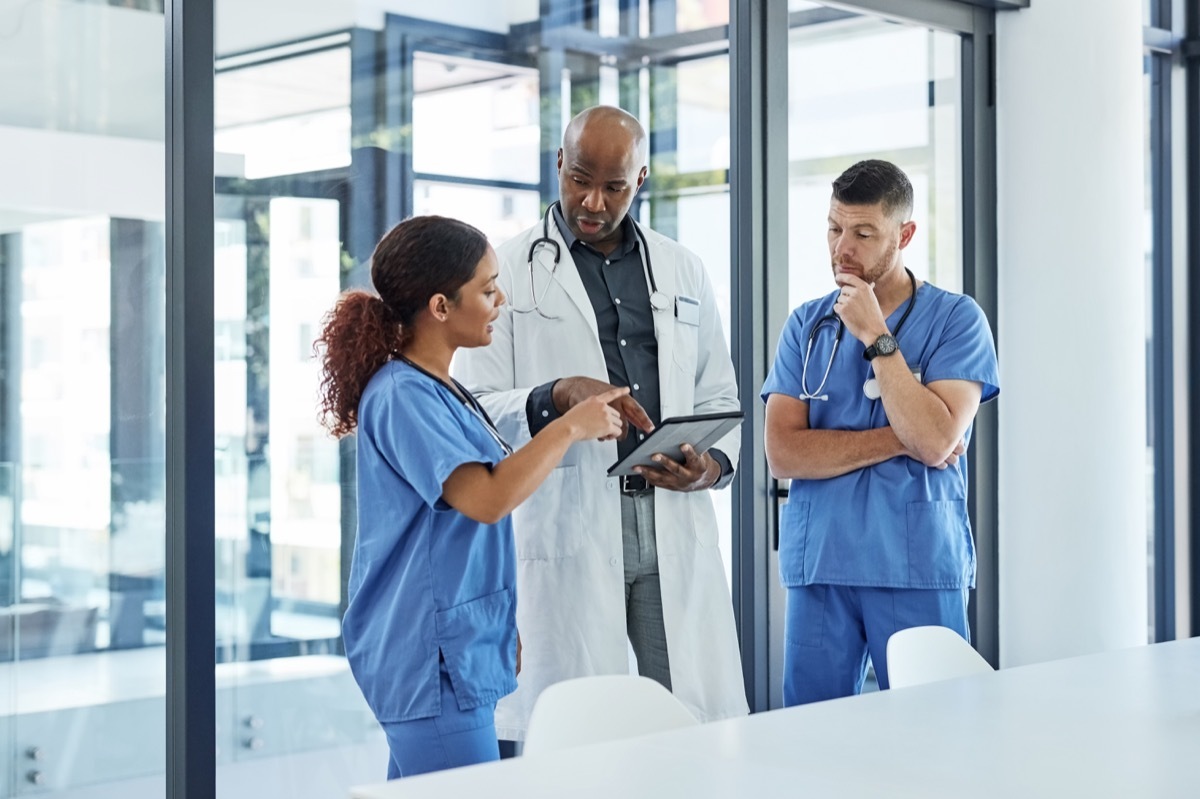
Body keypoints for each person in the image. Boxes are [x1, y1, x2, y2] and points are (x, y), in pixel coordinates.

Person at [454, 105, 748, 740]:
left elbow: (717, 390)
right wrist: (555, 395)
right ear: (559, 163)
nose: (592, 200)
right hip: (570, 517)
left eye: (613, 186)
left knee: (682, 726)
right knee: (583, 735)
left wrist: (711, 466)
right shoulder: (505, 271)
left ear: (639, 180)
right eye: (579, 177)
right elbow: (475, 406)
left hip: (668, 516)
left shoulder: (683, 269)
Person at [315, 215, 625, 777]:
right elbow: (485, 499)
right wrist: (571, 425)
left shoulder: (441, 387)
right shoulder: (402, 394)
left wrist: (499, 627)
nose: (500, 298)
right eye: (486, 289)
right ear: (440, 306)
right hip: (427, 658)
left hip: (457, 649)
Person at [760, 159, 999, 705]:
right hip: (822, 565)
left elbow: (937, 441)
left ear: (904, 234)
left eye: (864, 233)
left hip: (914, 563)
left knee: (932, 734)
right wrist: (905, 437)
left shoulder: (957, 320)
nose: (843, 248)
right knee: (814, 743)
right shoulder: (806, 325)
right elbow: (784, 453)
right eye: (834, 228)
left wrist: (876, 335)